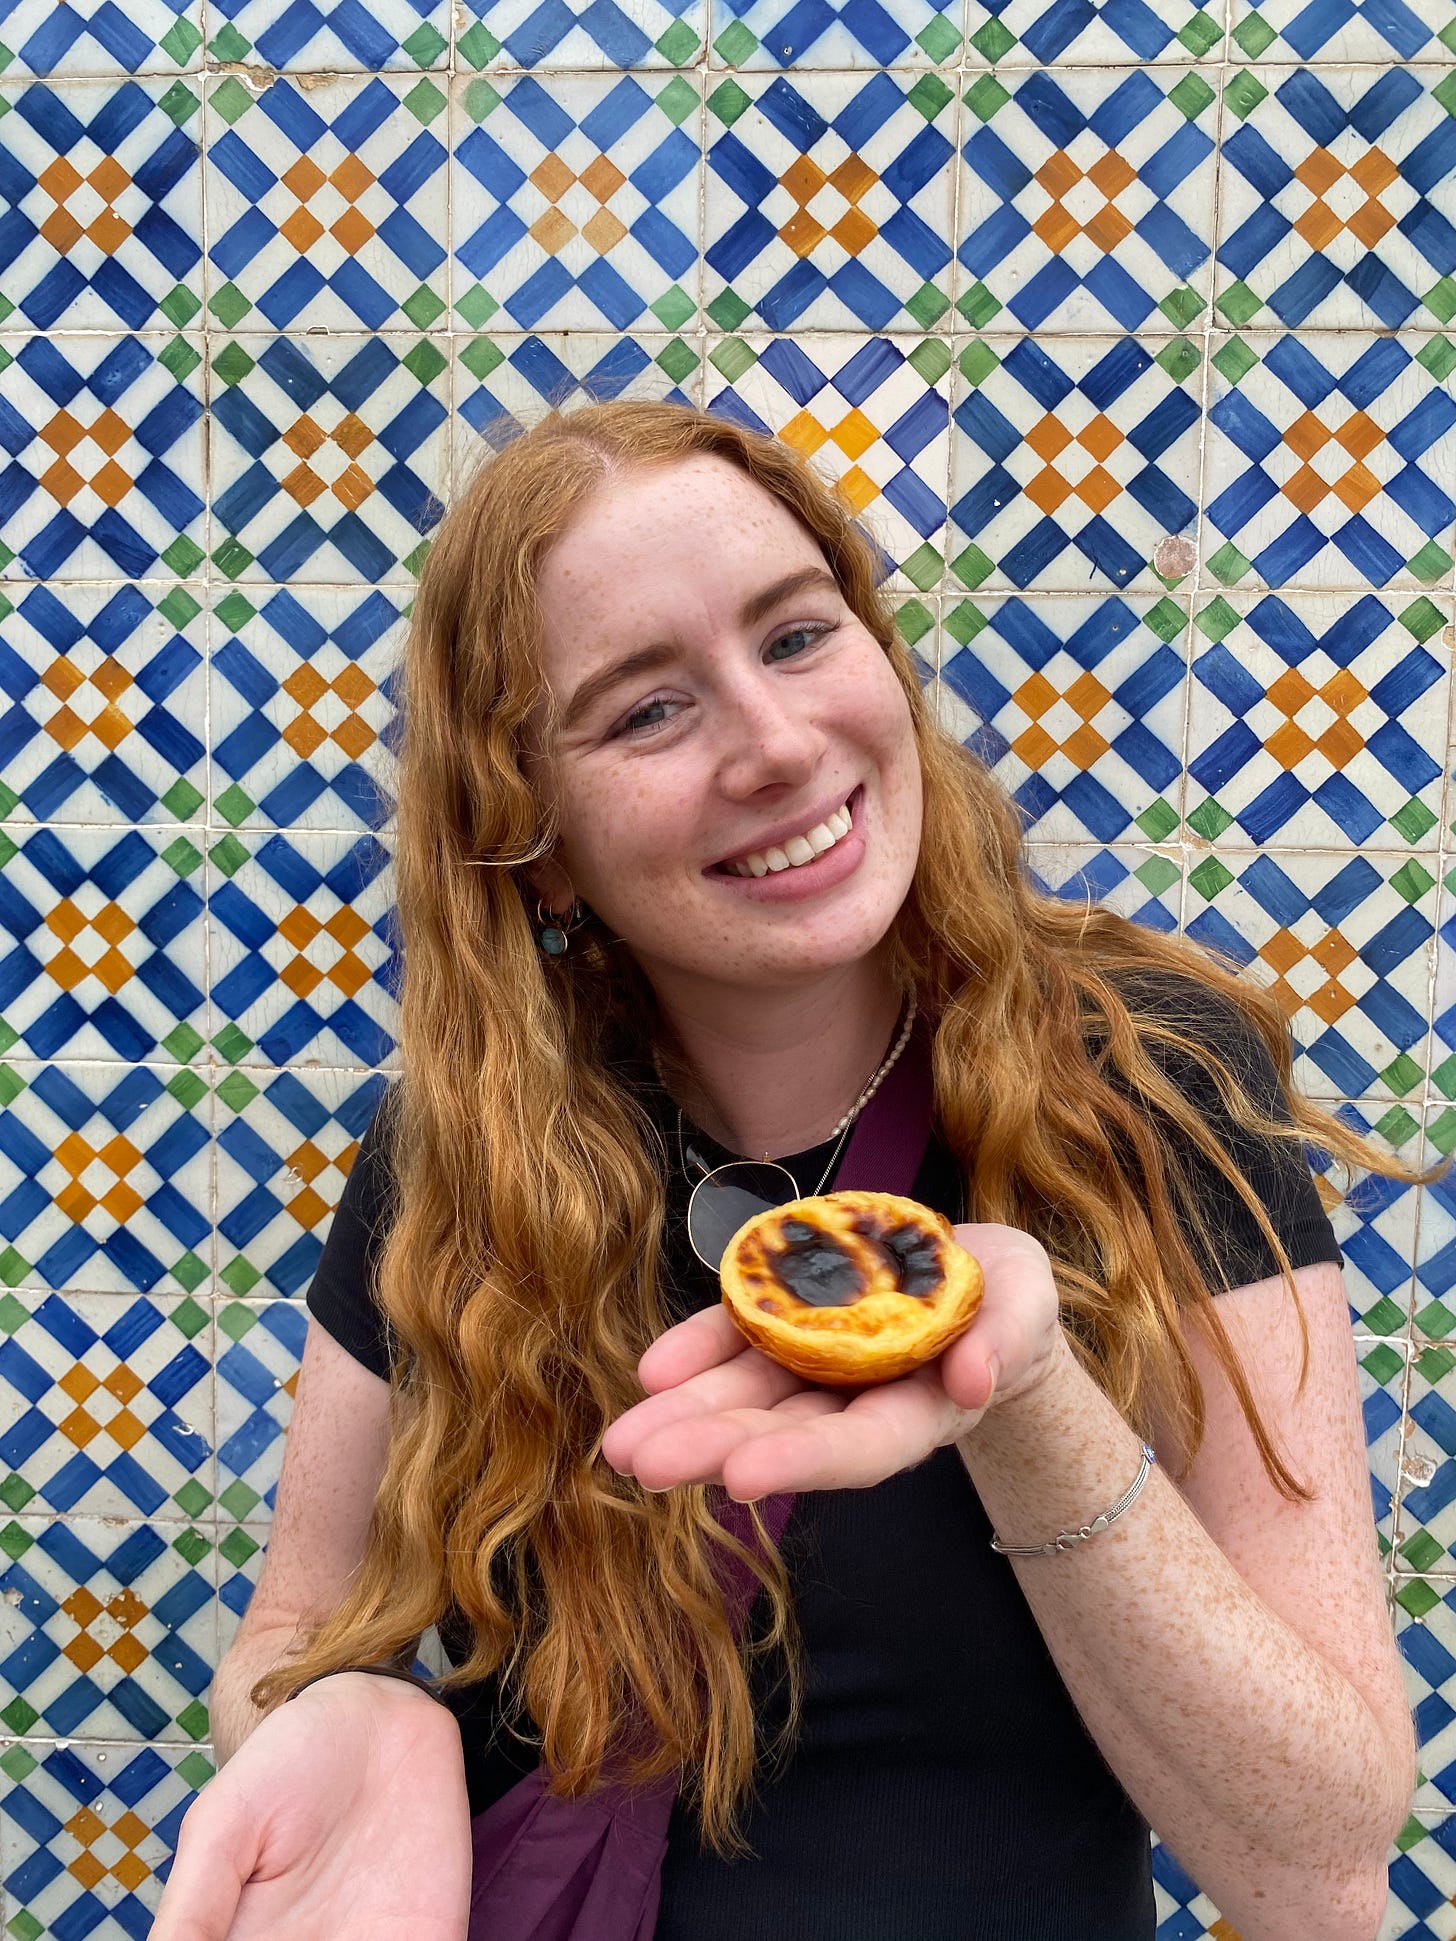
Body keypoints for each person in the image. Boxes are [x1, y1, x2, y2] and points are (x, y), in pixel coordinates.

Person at [153, 400, 1417, 1941]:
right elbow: (295, 1623)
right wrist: (347, 1720)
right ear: (536, 839)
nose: (773, 741)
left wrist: (1023, 1402)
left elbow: (1329, 1876)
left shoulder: (1151, 1079)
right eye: (647, 712)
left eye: (799, 635)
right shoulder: (452, 1156)